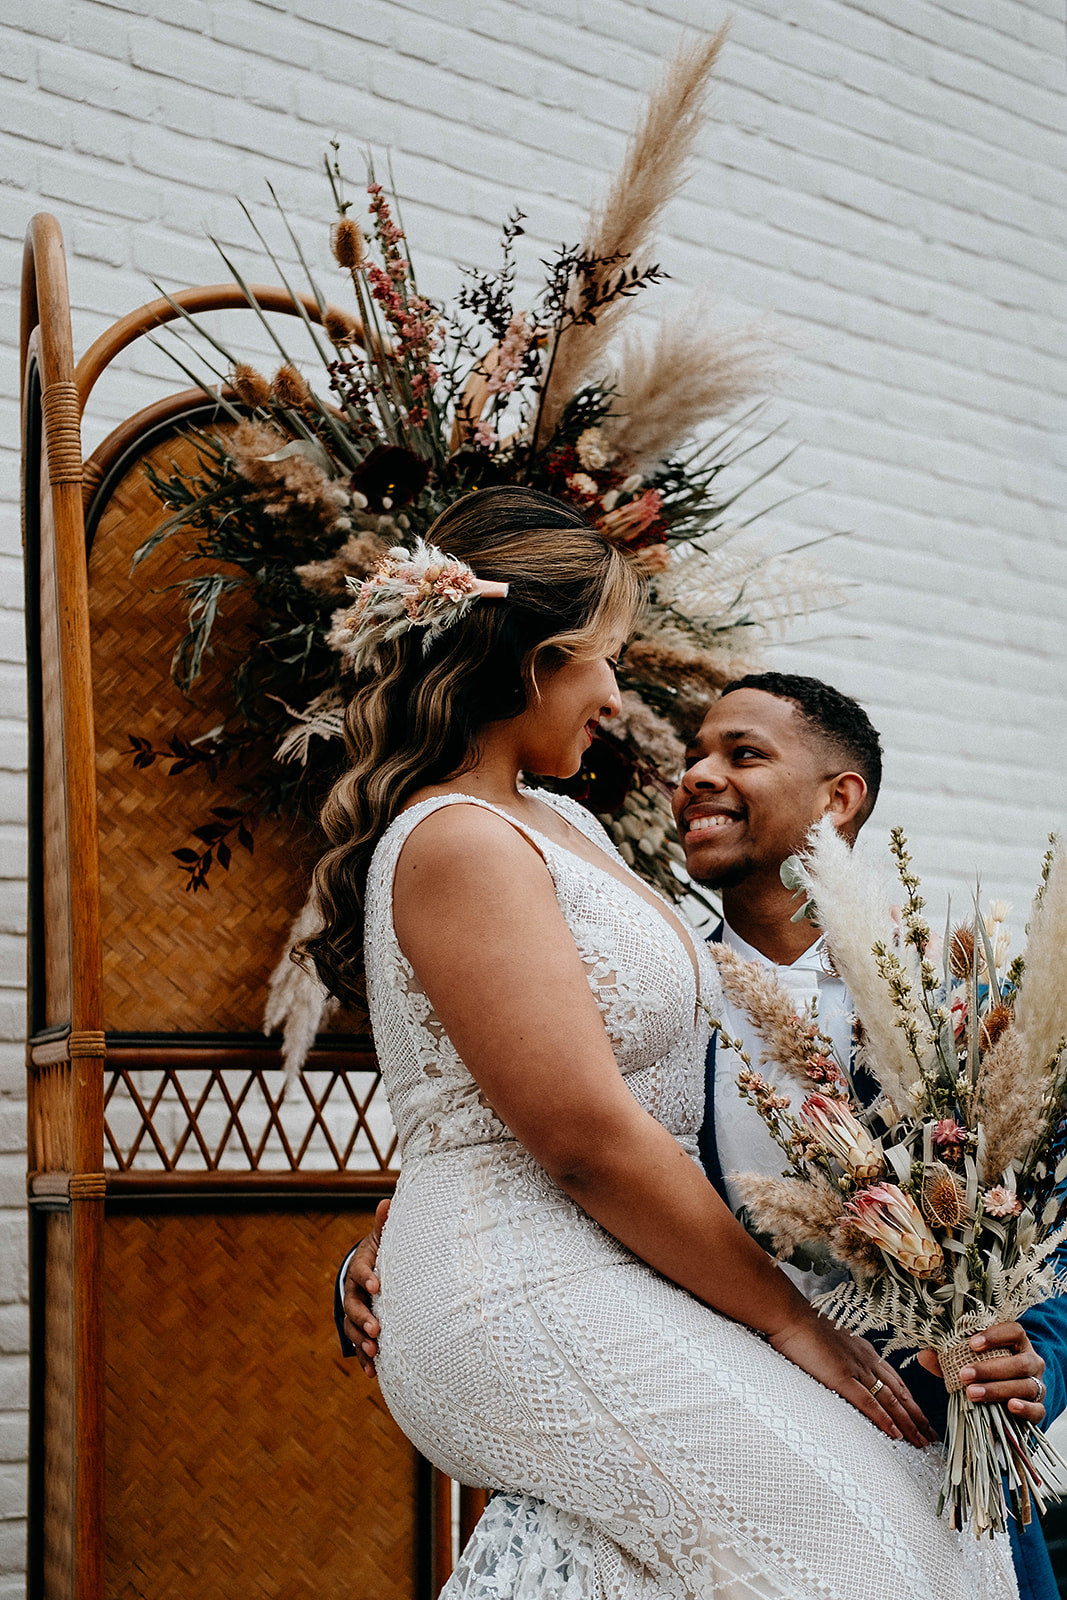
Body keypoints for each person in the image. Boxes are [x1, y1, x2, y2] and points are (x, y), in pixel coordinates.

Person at [312, 485, 1016, 1596]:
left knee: (918, 1518)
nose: (613, 694)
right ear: (530, 661)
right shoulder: (457, 839)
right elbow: (581, 1133)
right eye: (600, 657)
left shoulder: (566, 825)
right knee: (864, 1554)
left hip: (621, 1271)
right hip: (526, 1287)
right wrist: (791, 1324)